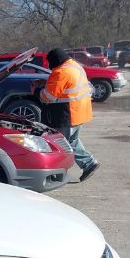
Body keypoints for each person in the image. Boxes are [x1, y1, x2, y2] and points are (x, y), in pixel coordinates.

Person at [40, 48, 100, 182]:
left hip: (68, 114)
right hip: (80, 112)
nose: (49, 66)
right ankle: (89, 163)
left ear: (54, 61)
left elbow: (49, 96)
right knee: (71, 141)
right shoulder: (75, 66)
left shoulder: (60, 72)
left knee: (59, 144)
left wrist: (38, 90)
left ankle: (57, 173)